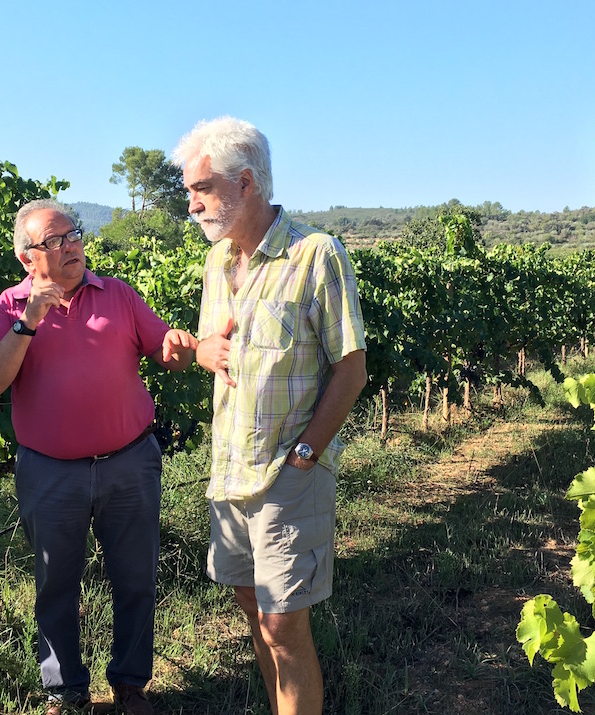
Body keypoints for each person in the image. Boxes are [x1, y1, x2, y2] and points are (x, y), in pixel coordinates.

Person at [172, 118, 367, 715]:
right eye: (188, 191)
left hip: (288, 472)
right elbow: (214, 345)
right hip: (229, 472)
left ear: (246, 182)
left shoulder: (314, 255)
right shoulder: (216, 263)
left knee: (286, 629)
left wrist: (306, 455)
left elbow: (352, 369)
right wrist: (199, 350)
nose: (192, 202)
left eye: (200, 187)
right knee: (254, 614)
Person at [0, 199, 197, 715]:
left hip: (130, 462)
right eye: (54, 241)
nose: (70, 245)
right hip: (50, 474)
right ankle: (67, 692)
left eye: (72, 234)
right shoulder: (10, 307)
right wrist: (29, 320)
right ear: (28, 259)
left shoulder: (116, 293)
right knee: (56, 584)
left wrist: (178, 348)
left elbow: (165, 347)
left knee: (136, 578)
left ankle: (131, 685)